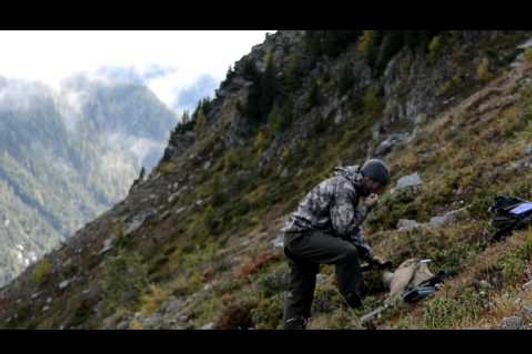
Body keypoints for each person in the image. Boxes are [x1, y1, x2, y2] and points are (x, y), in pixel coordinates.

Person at [281, 159, 391, 329]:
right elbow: (343, 229)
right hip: (302, 236)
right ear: (369, 180)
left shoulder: (348, 186)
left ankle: (293, 326)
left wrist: (370, 256)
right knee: (346, 253)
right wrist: (366, 209)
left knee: (301, 290)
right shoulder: (345, 188)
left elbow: (350, 230)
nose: (378, 193)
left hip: (294, 237)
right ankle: (355, 304)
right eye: (378, 188)